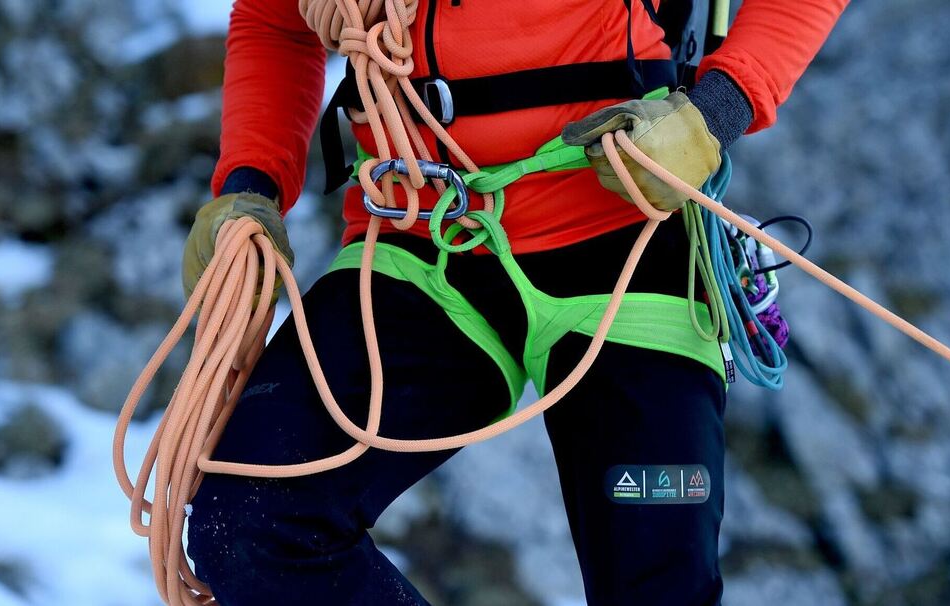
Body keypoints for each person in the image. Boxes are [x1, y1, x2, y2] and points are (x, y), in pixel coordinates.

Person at [183, 1, 847, 604]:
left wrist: (716, 112)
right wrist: (252, 184)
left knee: (659, 588)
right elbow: (275, 19)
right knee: (248, 522)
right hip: (424, 245)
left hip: (630, 244)